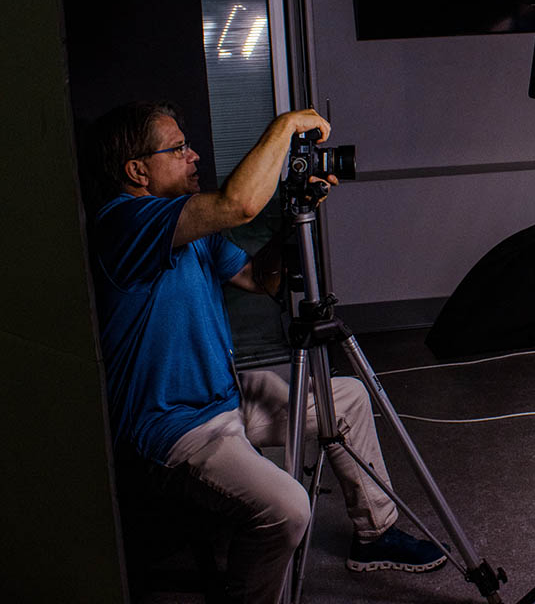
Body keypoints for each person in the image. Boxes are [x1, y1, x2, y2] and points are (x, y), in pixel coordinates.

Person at [88, 101, 446, 603]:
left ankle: (375, 533)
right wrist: (284, 127)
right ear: (137, 170)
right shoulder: (124, 223)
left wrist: (293, 220)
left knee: (346, 398)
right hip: (172, 428)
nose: (194, 156)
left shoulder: (191, 231)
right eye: (178, 148)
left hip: (225, 396)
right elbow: (239, 204)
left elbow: (260, 278)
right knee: (288, 505)